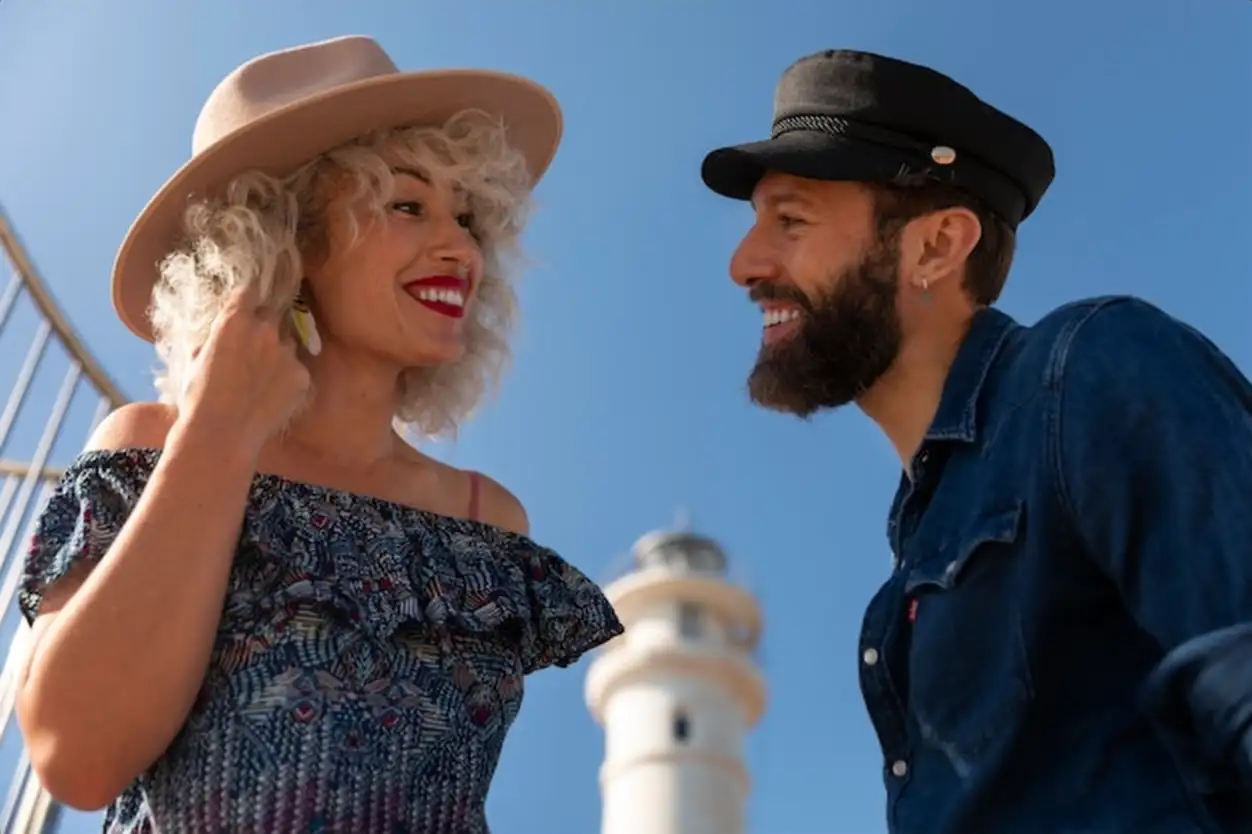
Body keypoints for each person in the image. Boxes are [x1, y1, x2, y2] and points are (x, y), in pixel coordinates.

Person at [14, 35, 622, 833]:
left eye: (468, 218)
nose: (460, 248)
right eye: (407, 204)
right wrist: (222, 433)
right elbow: (77, 754)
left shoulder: (488, 521)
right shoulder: (149, 446)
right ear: (284, 239)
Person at [700, 49, 1252, 834]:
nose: (743, 264)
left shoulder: (1089, 370)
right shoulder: (908, 568)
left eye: (790, 221)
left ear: (935, 247)